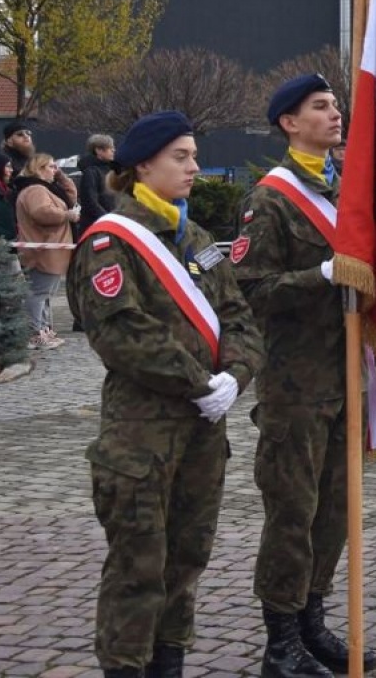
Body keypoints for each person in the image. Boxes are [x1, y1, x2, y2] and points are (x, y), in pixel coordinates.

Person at [65, 110, 262, 678]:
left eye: (194, 156)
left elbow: (240, 317)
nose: (194, 167)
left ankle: (168, 662)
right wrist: (199, 383)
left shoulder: (196, 239)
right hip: (141, 438)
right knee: (139, 566)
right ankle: (126, 666)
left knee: (187, 559)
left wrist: (235, 377)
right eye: (181, 157)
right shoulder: (111, 241)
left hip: (203, 433)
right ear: (142, 166)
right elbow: (122, 334)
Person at [234, 74, 376, 678]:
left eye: (336, 105)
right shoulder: (270, 199)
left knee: (335, 510)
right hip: (295, 385)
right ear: (289, 123)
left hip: (346, 375)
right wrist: (319, 276)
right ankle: (282, 639)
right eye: (320, 107)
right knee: (293, 512)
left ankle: (314, 618)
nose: (335, 114)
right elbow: (250, 290)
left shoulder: (347, 190)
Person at [14, 153, 78, 350]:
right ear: (39, 169)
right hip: (43, 250)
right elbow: (42, 213)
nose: (54, 170)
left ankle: (42, 329)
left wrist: (61, 176)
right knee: (39, 293)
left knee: (44, 293)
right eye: (51, 166)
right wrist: (67, 215)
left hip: (48, 249)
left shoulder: (43, 188)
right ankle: (35, 333)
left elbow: (70, 197)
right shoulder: (36, 190)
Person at [78, 134, 118, 233]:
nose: (113, 150)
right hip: (96, 227)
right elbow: (90, 202)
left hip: (111, 224)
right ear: (99, 150)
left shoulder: (111, 170)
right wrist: (108, 219)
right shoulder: (90, 172)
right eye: (110, 148)